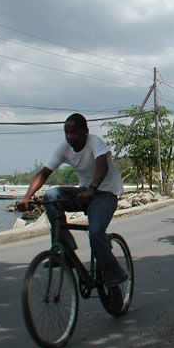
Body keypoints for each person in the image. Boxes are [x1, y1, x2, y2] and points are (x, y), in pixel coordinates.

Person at [17, 113, 127, 287]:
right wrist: (27, 197)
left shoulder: (95, 143)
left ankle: (114, 275)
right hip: (84, 192)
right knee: (51, 196)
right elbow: (44, 173)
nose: (69, 137)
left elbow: (102, 165)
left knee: (96, 234)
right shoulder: (64, 148)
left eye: (74, 132)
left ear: (85, 131)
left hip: (105, 193)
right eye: (66, 133)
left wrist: (92, 189)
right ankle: (65, 248)